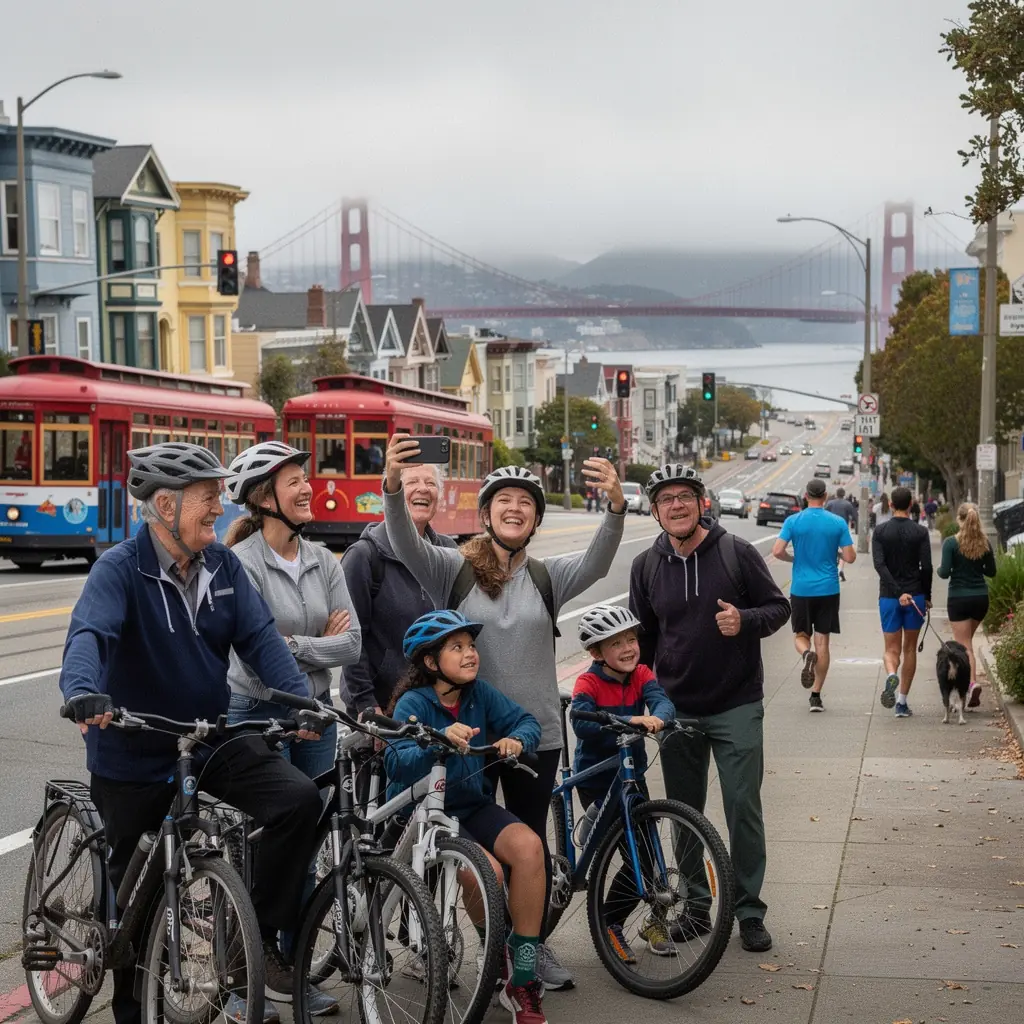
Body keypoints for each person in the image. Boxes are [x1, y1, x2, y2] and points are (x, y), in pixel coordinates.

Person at [59, 442, 323, 1024]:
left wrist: (302, 705)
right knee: (133, 894)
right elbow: (89, 635)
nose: (219, 510)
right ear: (166, 506)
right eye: (208, 498)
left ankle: (251, 934)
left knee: (297, 800)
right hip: (131, 745)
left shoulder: (223, 568)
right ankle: (131, 1007)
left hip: (205, 737)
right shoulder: (120, 568)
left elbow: (262, 642)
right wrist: (82, 691)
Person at [383, 437, 626, 991]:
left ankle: (527, 950)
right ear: (486, 513)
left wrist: (615, 506)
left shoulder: (547, 577)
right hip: (467, 737)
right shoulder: (453, 569)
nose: (515, 509)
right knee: (461, 843)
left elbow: (598, 560)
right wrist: (393, 488)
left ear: (536, 519)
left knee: (528, 846)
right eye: (504, 501)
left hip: (532, 735)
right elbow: (404, 542)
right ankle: (466, 940)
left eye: (525, 503)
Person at [224, 440, 362, 1019]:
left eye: (306, 478)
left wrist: (294, 645)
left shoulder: (325, 560)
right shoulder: (241, 563)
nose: (309, 488)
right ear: (263, 497)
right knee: (260, 849)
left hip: (317, 715)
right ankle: (240, 982)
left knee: (305, 847)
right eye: (294, 481)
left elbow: (351, 645)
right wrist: (315, 644)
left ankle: (295, 972)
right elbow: (254, 657)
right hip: (258, 715)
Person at [629, 465, 790, 953]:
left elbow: (778, 608)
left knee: (743, 807)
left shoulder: (735, 552)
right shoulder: (646, 565)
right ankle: (696, 908)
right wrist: (642, 698)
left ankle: (749, 911)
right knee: (683, 813)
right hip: (675, 708)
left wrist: (745, 620)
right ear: (655, 511)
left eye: (685, 496)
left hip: (735, 704)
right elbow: (642, 641)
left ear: (702, 503)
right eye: (666, 499)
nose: (676, 505)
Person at [385, 610, 547, 1024]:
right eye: (456, 647)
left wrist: (517, 739)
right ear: (430, 661)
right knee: (484, 871)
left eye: (471, 645)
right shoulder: (413, 703)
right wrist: (437, 741)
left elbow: (527, 721)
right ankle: (498, 956)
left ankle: (522, 976)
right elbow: (395, 762)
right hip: (429, 814)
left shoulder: (479, 693)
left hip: (473, 804)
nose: (470, 653)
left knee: (530, 848)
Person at [571, 604, 676, 959]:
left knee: (647, 859)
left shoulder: (641, 674)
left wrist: (658, 718)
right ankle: (610, 924)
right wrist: (631, 721)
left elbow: (661, 702)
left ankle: (649, 921)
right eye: (616, 643)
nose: (629, 648)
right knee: (626, 853)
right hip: (598, 778)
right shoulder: (588, 682)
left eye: (631, 639)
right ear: (596, 653)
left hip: (632, 777)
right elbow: (581, 722)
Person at [341, 461, 457, 719]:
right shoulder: (364, 556)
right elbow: (351, 640)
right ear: (392, 493)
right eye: (412, 482)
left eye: (430, 483)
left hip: (438, 705)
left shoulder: (449, 552)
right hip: (383, 708)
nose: (423, 489)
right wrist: (367, 704)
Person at [772, 479, 856, 712]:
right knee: (823, 642)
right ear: (826, 496)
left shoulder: (793, 521)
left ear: (806, 496)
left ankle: (806, 653)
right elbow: (850, 557)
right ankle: (816, 696)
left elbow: (777, 551)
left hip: (801, 589)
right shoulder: (837, 523)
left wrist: (794, 558)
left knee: (801, 635)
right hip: (828, 589)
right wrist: (837, 553)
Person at [872, 486, 933, 717]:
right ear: (910, 505)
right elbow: (927, 567)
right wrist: (926, 595)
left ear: (890, 505)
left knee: (891, 649)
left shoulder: (880, 532)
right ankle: (901, 702)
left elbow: (879, 565)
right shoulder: (920, 532)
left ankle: (891, 674)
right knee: (910, 649)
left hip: (889, 597)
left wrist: (897, 591)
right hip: (915, 595)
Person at [937, 503, 996, 708]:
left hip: (959, 598)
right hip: (980, 598)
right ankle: (968, 685)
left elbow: (944, 573)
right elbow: (991, 571)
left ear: (959, 519)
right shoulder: (984, 542)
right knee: (967, 641)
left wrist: (939, 569)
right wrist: (977, 567)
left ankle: (971, 684)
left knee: (965, 646)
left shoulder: (951, 543)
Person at [824, 485, 858, 583]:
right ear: (844, 495)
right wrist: (856, 528)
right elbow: (855, 517)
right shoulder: (847, 504)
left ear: (836, 494)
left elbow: (823, 514)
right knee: (844, 550)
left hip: (830, 530)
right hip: (843, 530)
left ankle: (830, 569)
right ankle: (840, 570)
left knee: (830, 549)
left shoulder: (830, 503)